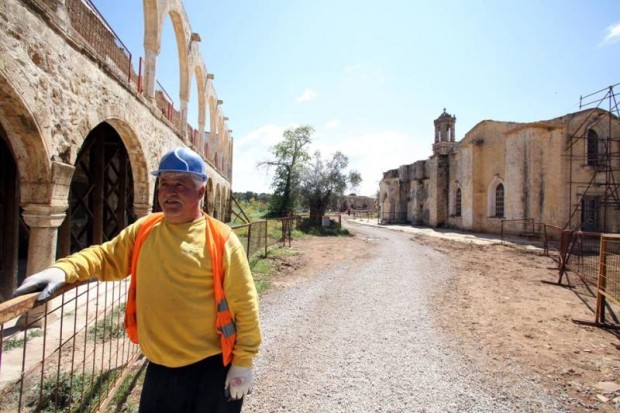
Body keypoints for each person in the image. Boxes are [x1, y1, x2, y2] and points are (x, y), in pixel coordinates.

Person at [14, 147, 262, 413]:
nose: (169, 192)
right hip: (160, 367)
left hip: (211, 367)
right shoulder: (145, 229)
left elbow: (245, 304)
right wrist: (64, 270)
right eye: (164, 183)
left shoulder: (221, 239)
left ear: (201, 192)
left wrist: (243, 362)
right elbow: (105, 256)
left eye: (180, 184)